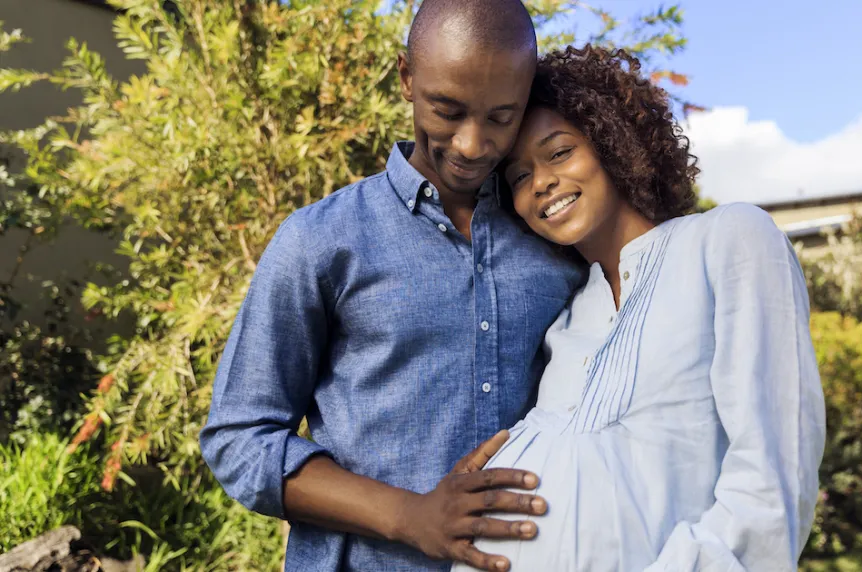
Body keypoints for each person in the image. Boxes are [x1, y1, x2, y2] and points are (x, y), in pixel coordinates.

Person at [199, 1, 586, 570]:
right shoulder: (320, 240)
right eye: (447, 110)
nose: (472, 144)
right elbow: (240, 438)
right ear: (407, 78)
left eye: (501, 117)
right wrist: (410, 516)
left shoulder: (556, 240)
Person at [453, 46, 826, 571]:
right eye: (517, 176)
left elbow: (771, 483)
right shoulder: (567, 317)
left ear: (612, 142)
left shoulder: (727, 240)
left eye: (559, 152)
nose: (540, 183)